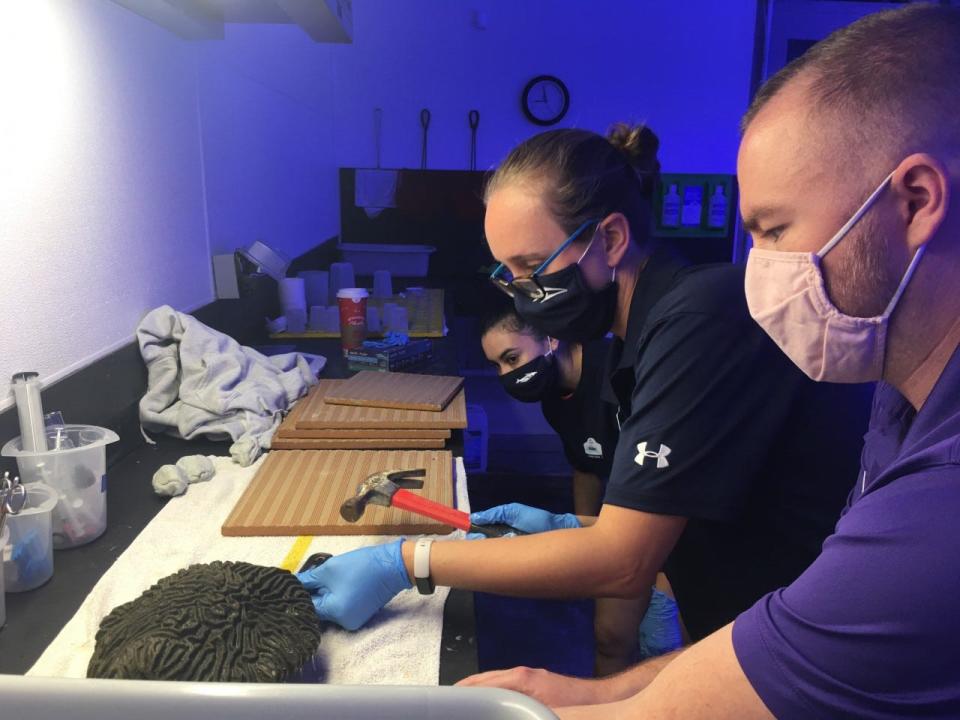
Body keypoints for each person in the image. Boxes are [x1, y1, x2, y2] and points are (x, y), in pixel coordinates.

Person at [459, 5, 960, 717]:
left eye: (777, 230)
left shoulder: (942, 494)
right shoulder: (897, 398)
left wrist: (409, 562)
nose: (761, 271)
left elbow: (771, 647)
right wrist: (577, 692)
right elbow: (775, 635)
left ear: (915, 200)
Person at [297, 122, 870, 666]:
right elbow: (669, 510)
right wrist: (572, 526)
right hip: (730, 612)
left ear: (612, 238)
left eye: (532, 266)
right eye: (509, 276)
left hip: (807, 639)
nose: (523, 295)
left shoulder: (701, 315)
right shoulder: (628, 341)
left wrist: (407, 561)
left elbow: (624, 563)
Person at [480, 304, 681, 673]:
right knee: (611, 637)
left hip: (682, 526)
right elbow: (585, 469)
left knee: (668, 657)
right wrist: (580, 540)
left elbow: (675, 477)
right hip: (623, 529)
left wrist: (662, 571)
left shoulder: (623, 374)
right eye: (497, 366)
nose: (507, 374)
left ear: (551, 338)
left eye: (512, 357)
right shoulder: (555, 400)